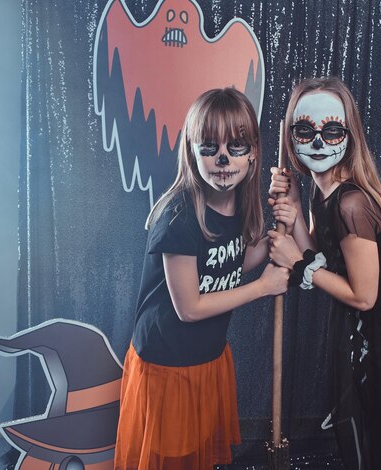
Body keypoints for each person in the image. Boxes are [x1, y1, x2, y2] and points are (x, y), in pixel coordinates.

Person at [114, 88, 289, 470]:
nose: (223, 159)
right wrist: (263, 288)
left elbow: (231, 266)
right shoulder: (178, 215)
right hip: (168, 365)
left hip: (207, 358)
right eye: (210, 146)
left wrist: (280, 231)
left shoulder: (238, 204)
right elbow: (190, 308)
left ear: (254, 151)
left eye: (236, 146)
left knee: (195, 456)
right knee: (170, 460)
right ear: (192, 151)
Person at [268, 77, 381, 470]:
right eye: (305, 131)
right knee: (361, 441)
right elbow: (320, 256)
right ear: (292, 136)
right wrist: (293, 209)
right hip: (361, 325)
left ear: (349, 135)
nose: (317, 143)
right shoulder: (321, 189)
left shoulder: (352, 203)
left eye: (331, 131)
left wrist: (296, 263)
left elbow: (364, 296)